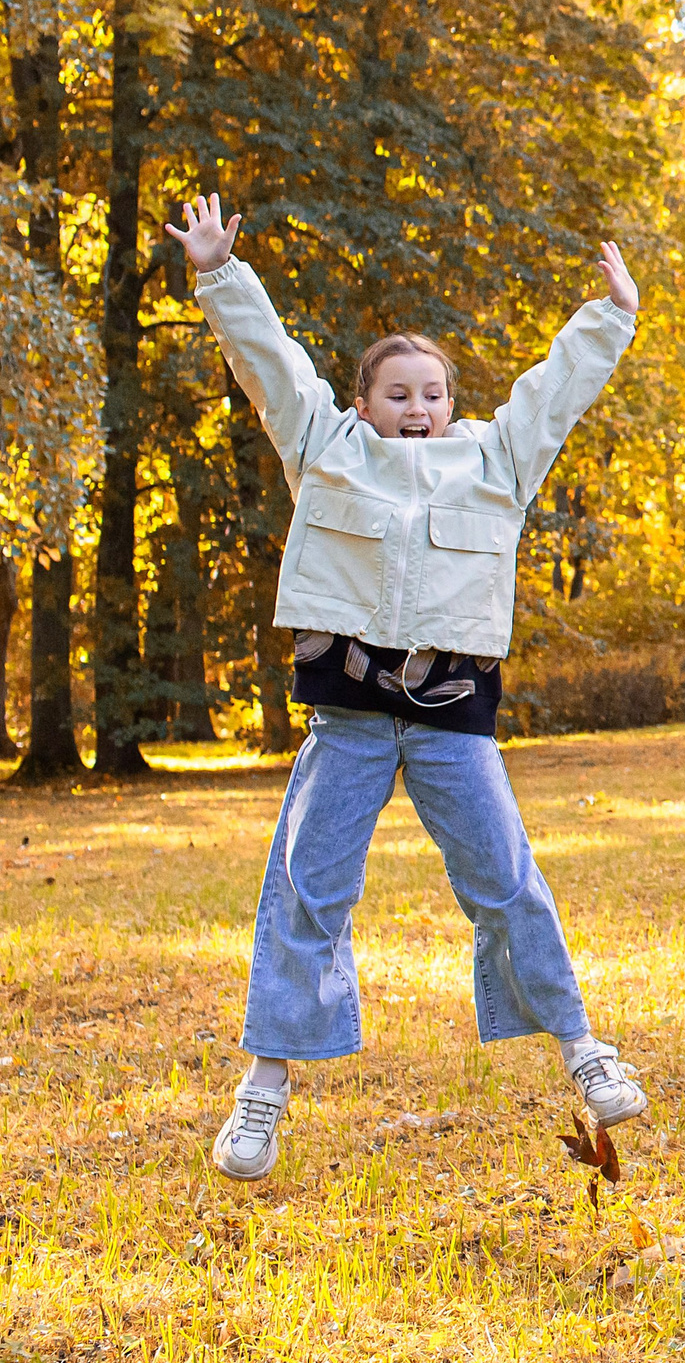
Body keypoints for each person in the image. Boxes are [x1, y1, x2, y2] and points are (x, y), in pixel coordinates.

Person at [164, 193, 649, 1183]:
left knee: (506, 880)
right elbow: (271, 364)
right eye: (397, 393)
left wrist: (610, 317)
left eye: (431, 392)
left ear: (452, 404)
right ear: (363, 404)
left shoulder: (495, 460)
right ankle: (264, 1084)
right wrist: (219, 273)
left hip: (453, 722)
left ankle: (581, 1048)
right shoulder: (326, 447)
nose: (417, 407)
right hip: (347, 719)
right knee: (307, 888)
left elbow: (552, 393)